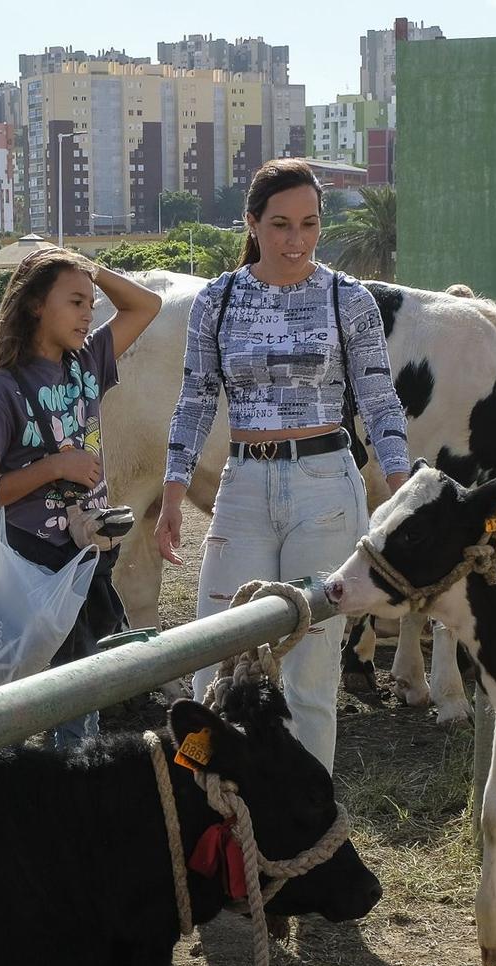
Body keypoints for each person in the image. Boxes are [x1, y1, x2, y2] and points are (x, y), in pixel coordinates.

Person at [160, 157, 413, 770]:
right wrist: (171, 493)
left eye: (308, 223)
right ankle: (214, 824)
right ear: (252, 224)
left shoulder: (347, 299)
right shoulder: (217, 301)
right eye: (279, 225)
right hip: (242, 482)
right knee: (214, 660)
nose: (295, 240)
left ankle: (308, 832)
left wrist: (404, 493)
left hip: (325, 484)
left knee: (310, 675)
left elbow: (380, 399)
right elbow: (195, 399)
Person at [0, 248, 161, 748]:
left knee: (78, 709)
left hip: (84, 566)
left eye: (90, 303)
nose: (88, 313)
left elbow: (146, 306)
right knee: (16, 707)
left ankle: (69, 795)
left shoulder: (86, 362)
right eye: (74, 301)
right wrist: (54, 467)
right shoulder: (0, 389)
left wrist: (91, 268)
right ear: (34, 305)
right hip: (27, 571)